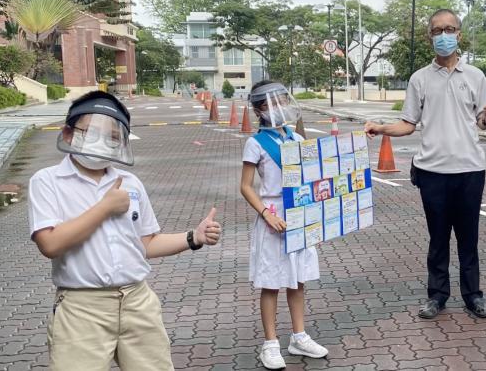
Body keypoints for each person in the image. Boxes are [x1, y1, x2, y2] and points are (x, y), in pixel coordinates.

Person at [28, 91, 222, 370]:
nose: (103, 141)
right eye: (91, 132)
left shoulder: (130, 183)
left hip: (137, 301)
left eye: (113, 136)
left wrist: (194, 237)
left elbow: (146, 243)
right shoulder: (47, 181)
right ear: (68, 134)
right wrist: (105, 207)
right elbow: (50, 244)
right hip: (82, 307)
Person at [364, 9, 486, 319]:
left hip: (469, 170)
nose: (444, 36)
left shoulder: (476, 76)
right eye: (437, 31)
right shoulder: (420, 79)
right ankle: (437, 295)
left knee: (469, 239)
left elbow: (481, 121)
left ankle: (473, 296)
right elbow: (408, 123)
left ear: (459, 34)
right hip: (432, 172)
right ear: (429, 37)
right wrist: (381, 127)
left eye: (449, 29)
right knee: (437, 239)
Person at [239, 80, 328, 369]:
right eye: (271, 103)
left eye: (281, 100)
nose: (279, 107)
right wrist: (266, 213)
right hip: (273, 218)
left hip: (299, 217)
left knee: (297, 279)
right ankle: (270, 343)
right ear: (259, 109)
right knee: (271, 283)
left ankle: (299, 337)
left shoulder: (297, 139)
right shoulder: (255, 143)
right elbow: (246, 186)